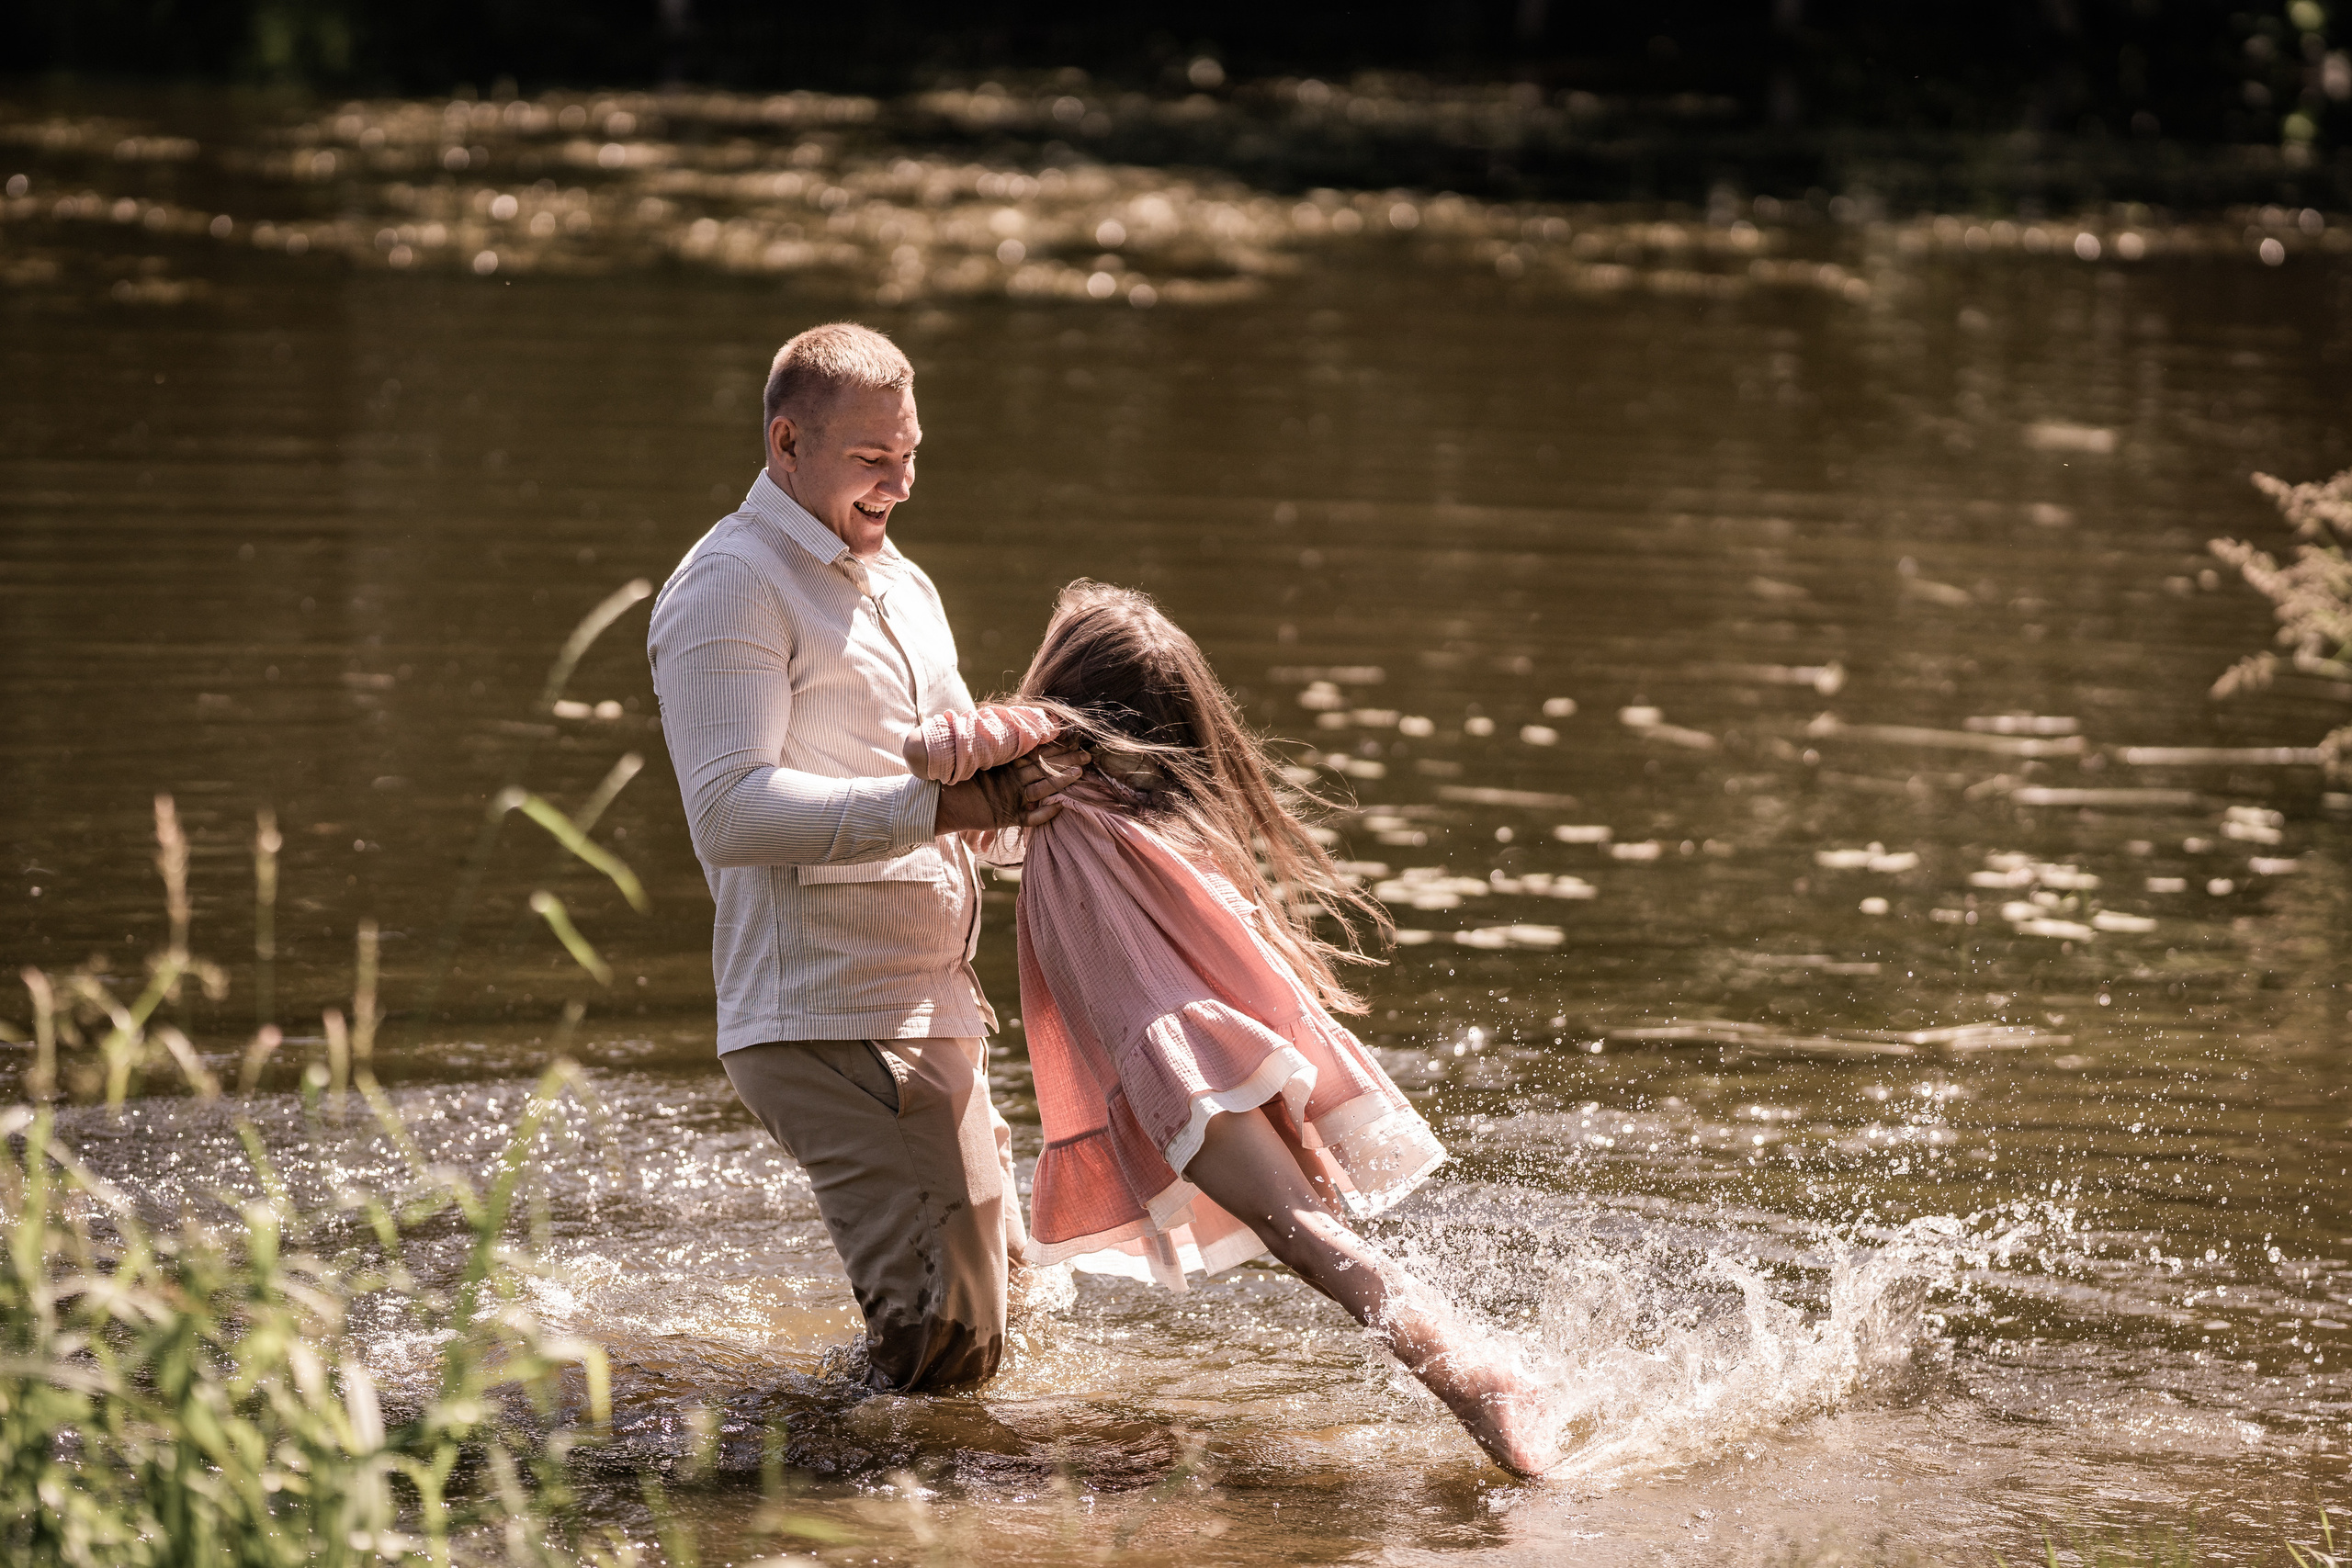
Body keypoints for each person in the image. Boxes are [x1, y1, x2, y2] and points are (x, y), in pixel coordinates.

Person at [903, 581, 1561, 1476]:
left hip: (1179, 1064)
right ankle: (1490, 1366)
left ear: (1066, 688)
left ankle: (1479, 1379)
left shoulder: (1048, 760)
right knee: (1312, 1234)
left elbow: (926, 751)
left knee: (1310, 1240)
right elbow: (981, 833)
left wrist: (1030, 722)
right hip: (1208, 1051)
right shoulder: (1108, 804)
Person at [646, 322, 1082, 1392]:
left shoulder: (905, 587)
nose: (902, 482)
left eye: (911, 452)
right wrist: (944, 807)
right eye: (872, 458)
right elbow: (728, 814)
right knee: (946, 1351)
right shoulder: (733, 584)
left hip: (929, 1006)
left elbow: (961, 797)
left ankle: (821, 1452)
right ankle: (790, 1485)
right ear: (787, 444)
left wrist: (1045, 798)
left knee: (1015, 1306)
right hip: (833, 1019)